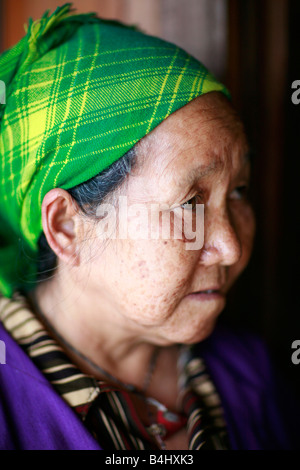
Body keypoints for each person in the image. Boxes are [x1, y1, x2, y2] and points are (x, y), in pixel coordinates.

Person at [0, 4, 299, 450]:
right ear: (66, 226)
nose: (230, 247)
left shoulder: (252, 372)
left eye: (238, 191)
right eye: (190, 203)